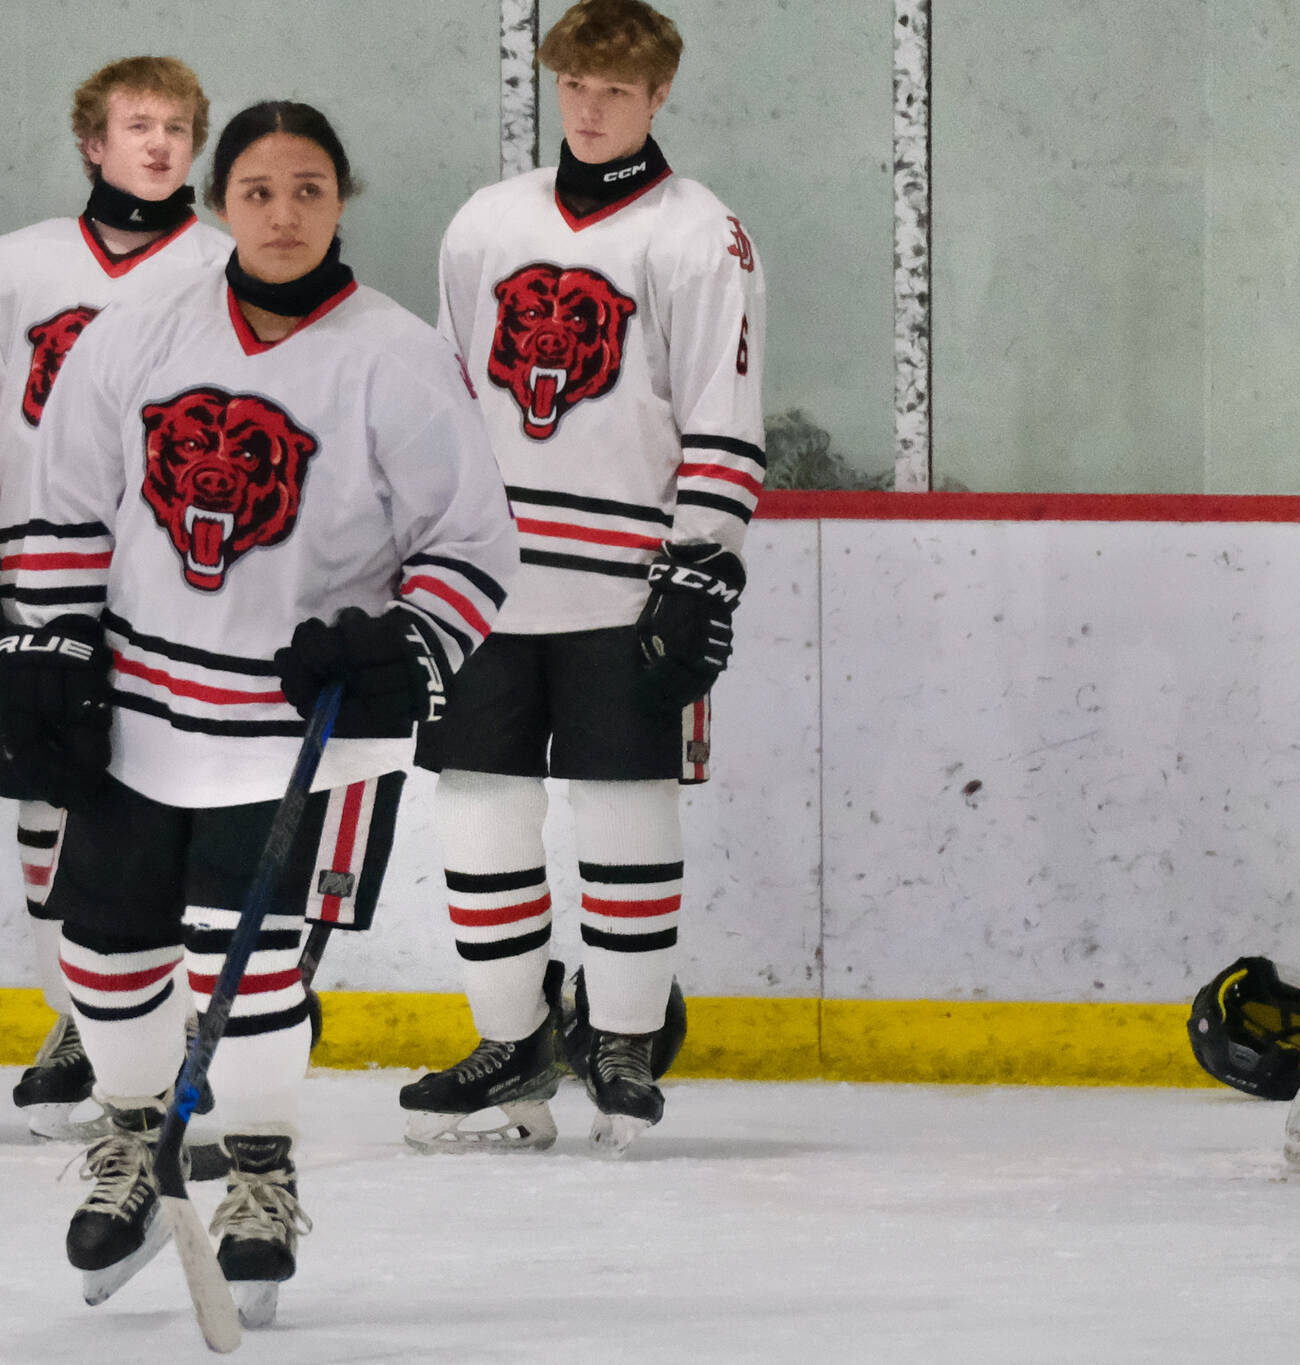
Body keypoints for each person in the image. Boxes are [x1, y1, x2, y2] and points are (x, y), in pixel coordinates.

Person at [0, 101, 518, 1321]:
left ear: (342, 202)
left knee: (253, 960)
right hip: (137, 707)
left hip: (305, 728)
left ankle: (261, 1169)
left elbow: (472, 540)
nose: (283, 213)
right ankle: (133, 1139)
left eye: (309, 190)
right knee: (105, 954)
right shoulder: (134, 334)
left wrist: (410, 644)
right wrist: (47, 644)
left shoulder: (393, 352)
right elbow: (68, 508)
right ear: (222, 200)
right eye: (260, 190)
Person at [404, 0, 766, 1157]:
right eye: (576, 86)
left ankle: (618, 1037)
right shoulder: (484, 221)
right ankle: (509, 1036)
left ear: (658, 97)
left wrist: (700, 561)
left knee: (623, 807)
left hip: (625, 582)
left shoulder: (697, 233)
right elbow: (446, 396)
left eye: (616, 89)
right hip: (486, 581)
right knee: (482, 809)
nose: (592, 106)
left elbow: (721, 405)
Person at [0, 56, 230, 1142]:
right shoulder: (10, 270)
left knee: (164, 800)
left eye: (177, 128)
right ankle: (78, 1015)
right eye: (136, 126)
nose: (157, 145)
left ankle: (176, 1016)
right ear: (91, 143)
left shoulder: (229, 266)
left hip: (176, 589)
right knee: (49, 804)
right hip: (40, 586)